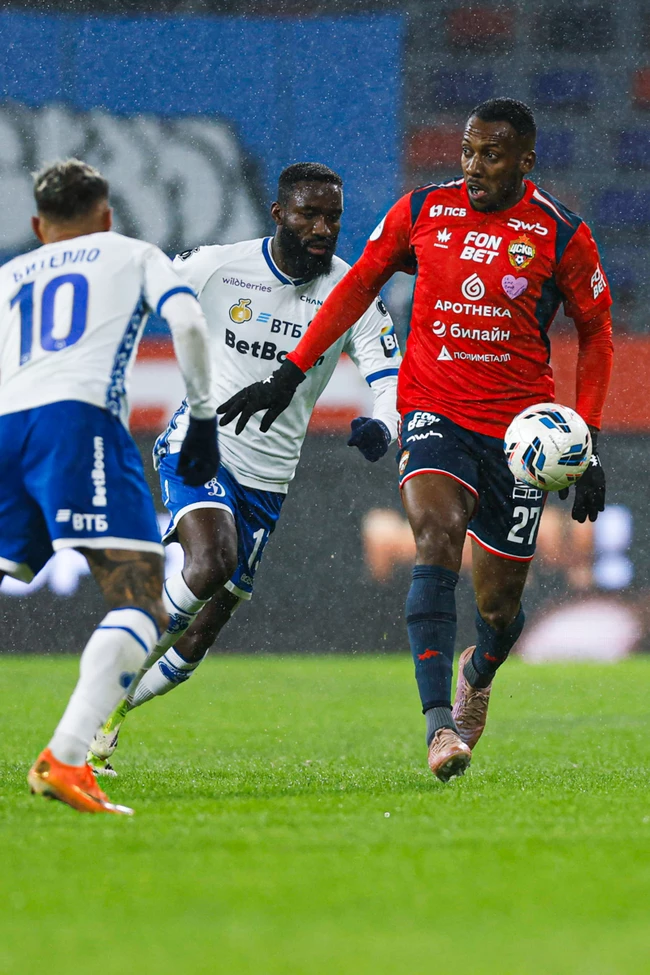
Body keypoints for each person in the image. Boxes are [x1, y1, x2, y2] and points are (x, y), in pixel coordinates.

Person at [218, 99, 614, 782]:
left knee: (499, 610)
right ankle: (439, 727)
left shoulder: (560, 234)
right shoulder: (424, 210)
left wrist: (590, 438)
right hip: (434, 409)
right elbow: (356, 286)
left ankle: (478, 673)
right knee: (435, 537)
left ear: (525, 161)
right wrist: (289, 373)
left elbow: (597, 331)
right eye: (467, 151)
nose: (474, 166)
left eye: (492, 155)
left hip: (517, 437)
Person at [88, 162, 400, 773]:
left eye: (333, 217)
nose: (323, 228)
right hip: (201, 444)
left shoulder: (354, 291)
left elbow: (389, 377)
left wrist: (383, 425)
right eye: (309, 214)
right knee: (211, 560)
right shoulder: (218, 267)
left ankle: (112, 713)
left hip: (270, 481)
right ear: (279, 214)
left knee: (199, 636)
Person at [0, 159, 218, 814]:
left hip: (7, 425)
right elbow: (188, 323)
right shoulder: (132, 253)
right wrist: (202, 416)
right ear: (107, 215)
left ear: (38, 225)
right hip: (77, 424)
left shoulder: (11, 275)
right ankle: (66, 759)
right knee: (141, 597)